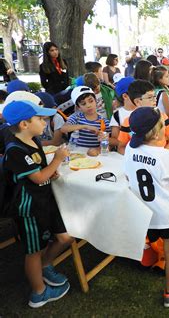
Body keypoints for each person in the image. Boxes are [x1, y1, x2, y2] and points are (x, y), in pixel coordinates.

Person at [2, 99, 74, 308]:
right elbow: (38, 177)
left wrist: (51, 172)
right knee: (33, 251)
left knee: (65, 237)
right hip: (29, 209)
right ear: (24, 124)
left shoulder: (32, 141)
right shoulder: (15, 150)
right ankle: (39, 293)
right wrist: (57, 161)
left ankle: (46, 264)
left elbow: (41, 172)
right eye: (40, 119)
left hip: (44, 202)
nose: (45, 122)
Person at [123, 107, 169, 307]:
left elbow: (130, 176)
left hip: (145, 212)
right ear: (157, 132)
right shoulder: (165, 155)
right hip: (165, 212)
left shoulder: (130, 148)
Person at [117, 79, 169, 155]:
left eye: (155, 96)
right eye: (150, 97)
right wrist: (134, 157)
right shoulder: (128, 122)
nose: (155, 100)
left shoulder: (162, 117)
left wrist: (162, 155)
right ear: (138, 102)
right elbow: (121, 147)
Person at [60, 86, 112, 152]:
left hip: (95, 155)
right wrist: (86, 126)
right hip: (76, 153)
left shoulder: (104, 122)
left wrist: (98, 150)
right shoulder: (77, 117)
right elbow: (63, 129)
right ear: (78, 107)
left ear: (96, 101)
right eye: (83, 104)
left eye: (91, 101)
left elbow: (109, 144)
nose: (88, 105)